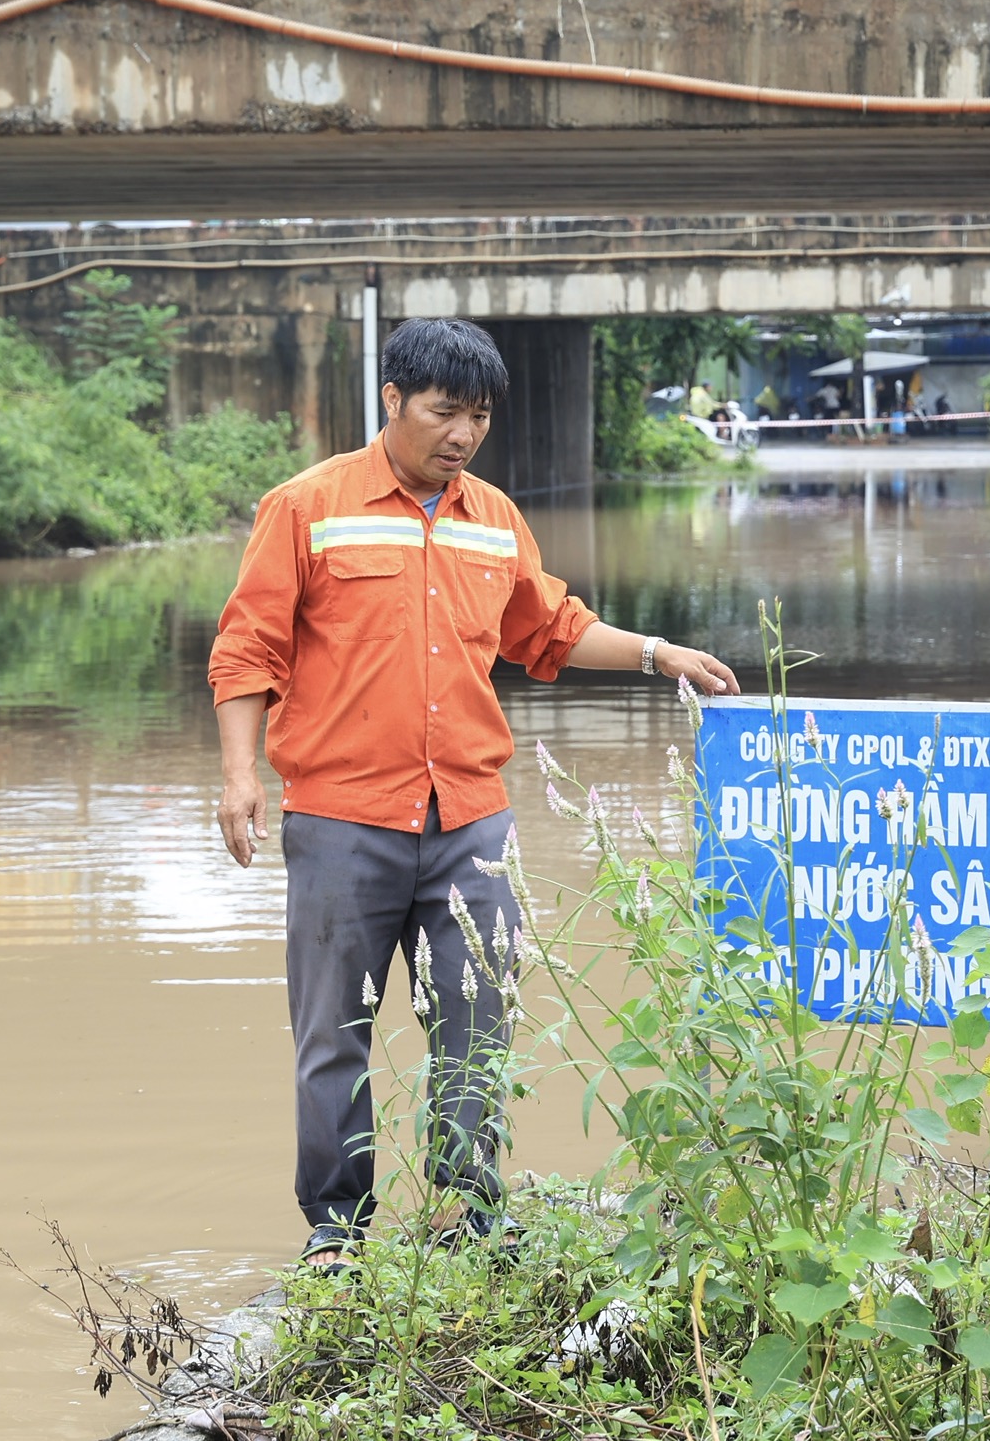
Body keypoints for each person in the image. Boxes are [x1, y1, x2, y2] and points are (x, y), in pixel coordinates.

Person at [210, 318, 741, 1270]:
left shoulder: (493, 519)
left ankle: (471, 1217)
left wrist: (659, 654)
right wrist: (241, 773)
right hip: (341, 819)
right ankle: (337, 1233)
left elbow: (551, 629)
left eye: (479, 416)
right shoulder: (307, 507)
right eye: (443, 411)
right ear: (392, 402)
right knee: (334, 1032)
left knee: (476, 1024)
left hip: (469, 821)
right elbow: (248, 645)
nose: (460, 434)